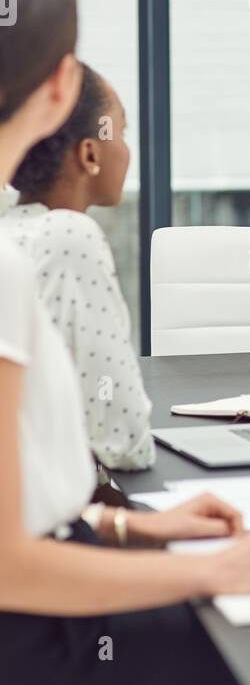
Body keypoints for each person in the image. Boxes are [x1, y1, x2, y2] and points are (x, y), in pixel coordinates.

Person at [0, 0, 250, 685]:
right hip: (40, 670)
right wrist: (216, 567)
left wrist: (139, 525)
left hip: (39, 635)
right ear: (59, 86)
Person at [2, 64, 154, 470]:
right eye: (120, 132)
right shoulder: (68, 237)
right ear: (90, 153)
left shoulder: (10, 230)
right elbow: (125, 441)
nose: (125, 149)